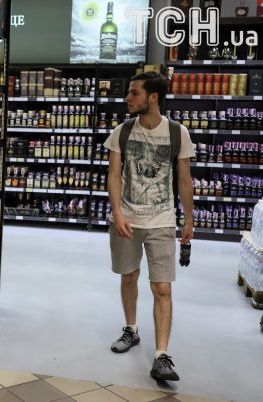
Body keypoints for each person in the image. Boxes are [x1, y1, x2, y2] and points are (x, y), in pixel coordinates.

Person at [103, 71, 194, 382]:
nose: (127, 98)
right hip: (127, 219)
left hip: (162, 220)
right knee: (129, 276)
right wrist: (117, 213)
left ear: (153, 97)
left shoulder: (178, 133)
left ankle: (161, 356)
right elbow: (114, 176)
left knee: (162, 287)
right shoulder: (122, 132)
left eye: (134, 93)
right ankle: (131, 329)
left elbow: (185, 181)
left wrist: (189, 219)